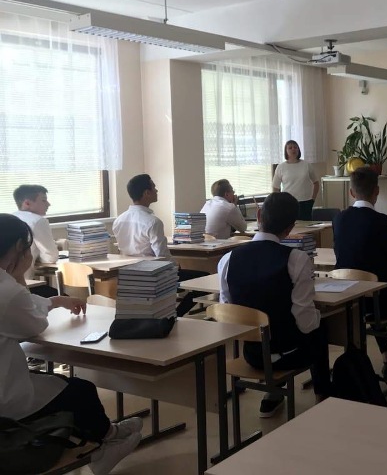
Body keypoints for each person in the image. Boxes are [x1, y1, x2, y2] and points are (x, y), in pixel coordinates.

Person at [0, 214, 142, 475]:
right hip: (6, 399)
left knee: (63, 385)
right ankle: (105, 445)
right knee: (81, 390)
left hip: (6, 381)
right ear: (18, 247)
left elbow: (22, 312)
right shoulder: (6, 289)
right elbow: (32, 324)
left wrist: (54, 301)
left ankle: (110, 434)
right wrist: (19, 275)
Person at [218, 192, 330, 418]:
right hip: (289, 354)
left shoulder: (228, 259)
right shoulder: (296, 259)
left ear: (259, 215)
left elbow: (228, 310)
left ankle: (273, 394)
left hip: (251, 354)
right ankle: (323, 397)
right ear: (290, 228)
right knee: (319, 328)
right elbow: (305, 322)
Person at [333, 167, 387, 380]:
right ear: (377, 191)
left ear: (351, 193)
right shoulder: (381, 221)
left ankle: (386, 359)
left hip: (350, 300)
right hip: (380, 301)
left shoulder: (338, 219)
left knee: (373, 295)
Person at [113, 174, 204, 316]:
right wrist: (176, 265)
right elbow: (162, 256)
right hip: (154, 274)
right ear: (146, 193)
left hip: (130, 275)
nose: (157, 190)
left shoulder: (119, 220)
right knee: (203, 279)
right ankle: (176, 314)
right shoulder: (153, 222)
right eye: (154, 187)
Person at [11, 185, 60, 297]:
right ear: (27, 203)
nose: (48, 204)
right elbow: (51, 257)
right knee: (65, 298)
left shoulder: (10, 218)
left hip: (7, 285)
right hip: (24, 286)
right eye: (43, 200)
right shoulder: (37, 221)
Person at [271, 140, 319, 221]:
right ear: (286, 151)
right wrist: (278, 202)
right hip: (287, 203)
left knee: (305, 225)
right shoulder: (281, 167)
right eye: (290, 148)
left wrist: (313, 199)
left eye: (295, 147)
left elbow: (316, 183)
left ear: (298, 150)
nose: (293, 149)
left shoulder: (306, 165)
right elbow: (275, 187)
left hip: (305, 202)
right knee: (289, 225)